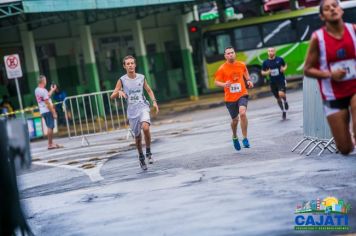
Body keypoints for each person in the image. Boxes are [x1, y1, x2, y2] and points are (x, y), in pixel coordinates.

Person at [304, 0, 356, 155]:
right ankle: (349, 139)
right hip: (333, 94)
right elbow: (307, 70)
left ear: (341, 10)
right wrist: (330, 74)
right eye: (327, 8)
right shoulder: (317, 38)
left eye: (335, 6)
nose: (332, 9)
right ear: (322, 16)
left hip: (354, 87)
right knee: (344, 148)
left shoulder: (353, 30)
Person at [110, 55, 159, 170]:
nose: (130, 65)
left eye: (132, 63)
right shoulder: (122, 80)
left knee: (146, 127)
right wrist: (119, 92)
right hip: (132, 112)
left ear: (135, 65)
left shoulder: (141, 77)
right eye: (128, 64)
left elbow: (149, 90)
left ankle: (148, 152)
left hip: (143, 107)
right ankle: (141, 157)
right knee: (137, 138)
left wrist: (154, 102)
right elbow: (112, 95)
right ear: (124, 66)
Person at [215, 46, 254, 151]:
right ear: (225, 56)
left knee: (242, 113)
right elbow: (216, 82)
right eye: (228, 53)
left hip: (242, 94)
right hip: (230, 98)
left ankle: (245, 138)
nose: (230, 54)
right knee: (235, 120)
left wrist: (248, 80)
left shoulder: (241, 64)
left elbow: (245, 71)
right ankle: (235, 136)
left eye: (232, 52)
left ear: (235, 54)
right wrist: (224, 84)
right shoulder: (222, 68)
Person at [35, 75, 63, 150]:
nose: (46, 81)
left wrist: (52, 89)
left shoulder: (37, 90)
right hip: (47, 111)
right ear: (43, 81)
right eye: (45, 80)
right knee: (50, 127)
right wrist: (53, 112)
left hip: (42, 111)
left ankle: (51, 143)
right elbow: (47, 103)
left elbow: (47, 96)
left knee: (49, 126)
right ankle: (50, 144)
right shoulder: (43, 91)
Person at [261, 47, 289, 120]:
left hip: (281, 80)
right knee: (278, 98)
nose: (270, 52)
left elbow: (285, 65)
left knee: (281, 94)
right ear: (267, 52)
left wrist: (284, 69)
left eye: (272, 51)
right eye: (269, 51)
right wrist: (267, 72)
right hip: (272, 82)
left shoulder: (280, 59)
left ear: (275, 52)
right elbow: (262, 72)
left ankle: (285, 101)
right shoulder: (265, 62)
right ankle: (283, 111)